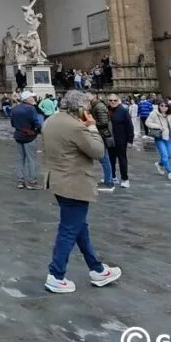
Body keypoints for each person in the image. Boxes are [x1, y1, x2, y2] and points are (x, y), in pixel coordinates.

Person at [41, 90, 122, 294]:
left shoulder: (51, 121)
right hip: (74, 183)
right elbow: (97, 151)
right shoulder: (76, 127)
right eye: (86, 108)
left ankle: (98, 270)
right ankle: (56, 275)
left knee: (79, 227)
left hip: (57, 181)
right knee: (69, 229)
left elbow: (66, 141)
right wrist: (92, 127)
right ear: (79, 108)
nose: (87, 111)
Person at [10, 90, 42, 190]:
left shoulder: (14, 109)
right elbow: (36, 122)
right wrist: (38, 130)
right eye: (32, 97)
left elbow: (12, 123)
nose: (33, 99)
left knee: (20, 159)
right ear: (27, 99)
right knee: (31, 159)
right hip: (29, 135)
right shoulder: (31, 109)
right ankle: (32, 181)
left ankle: (20, 181)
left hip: (18, 135)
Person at [145, 99, 171, 181]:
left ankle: (159, 164)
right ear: (159, 106)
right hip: (159, 137)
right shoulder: (154, 114)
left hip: (169, 137)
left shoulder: (169, 115)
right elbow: (147, 123)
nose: (164, 107)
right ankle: (170, 172)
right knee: (164, 155)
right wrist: (158, 126)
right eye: (162, 105)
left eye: (166, 106)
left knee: (169, 155)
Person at [106, 94, 133, 187]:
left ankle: (125, 178)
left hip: (121, 139)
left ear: (118, 101)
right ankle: (112, 176)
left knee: (122, 159)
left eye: (115, 100)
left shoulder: (123, 111)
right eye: (111, 100)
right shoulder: (106, 110)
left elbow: (129, 126)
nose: (113, 102)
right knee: (110, 159)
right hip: (110, 139)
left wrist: (130, 140)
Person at [89, 94, 115, 192]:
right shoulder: (96, 105)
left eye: (88, 94)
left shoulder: (99, 106)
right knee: (104, 158)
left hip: (102, 135)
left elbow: (104, 122)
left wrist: (91, 123)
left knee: (104, 158)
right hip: (101, 135)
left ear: (94, 96)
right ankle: (108, 180)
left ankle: (108, 182)